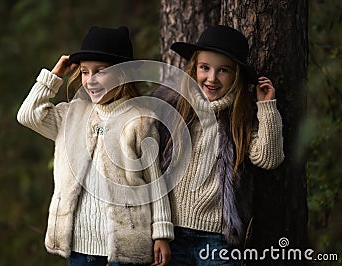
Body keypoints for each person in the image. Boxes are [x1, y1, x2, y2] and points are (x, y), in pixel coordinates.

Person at [17, 26, 173, 266]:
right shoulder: (71, 115)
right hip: (80, 246)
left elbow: (155, 181)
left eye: (100, 71)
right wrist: (53, 77)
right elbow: (27, 115)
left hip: (126, 248)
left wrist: (161, 234)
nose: (91, 80)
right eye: (84, 72)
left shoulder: (141, 119)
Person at [153, 25, 284, 265]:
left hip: (218, 238)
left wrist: (267, 107)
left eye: (223, 70)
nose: (212, 78)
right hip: (170, 234)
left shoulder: (240, 117)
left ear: (236, 75)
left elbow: (268, 158)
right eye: (205, 68)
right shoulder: (172, 106)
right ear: (194, 69)